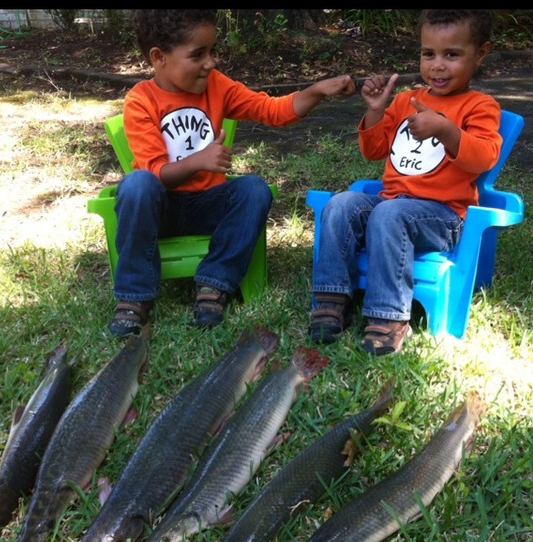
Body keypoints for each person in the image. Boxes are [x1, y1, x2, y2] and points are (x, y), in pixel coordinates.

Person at [109, 9, 356, 338]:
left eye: (212, 51)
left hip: (208, 204)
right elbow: (156, 174)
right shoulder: (141, 100)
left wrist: (316, 91)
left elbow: (271, 110)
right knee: (136, 184)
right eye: (198, 54)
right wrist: (199, 160)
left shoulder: (217, 86)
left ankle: (214, 285)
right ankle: (134, 298)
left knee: (254, 188)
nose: (211, 63)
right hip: (161, 209)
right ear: (159, 57)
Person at [308, 9, 502, 356]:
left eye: (451, 55)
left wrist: (445, 129)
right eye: (429, 54)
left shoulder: (479, 106)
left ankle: (388, 317)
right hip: (391, 204)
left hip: (443, 216)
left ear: (481, 53)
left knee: (390, 213)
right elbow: (373, 150)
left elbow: (484, 157)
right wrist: (376, 111)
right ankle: (332, 298)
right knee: (341, 204)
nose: (437, 66)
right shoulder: (404, 101)